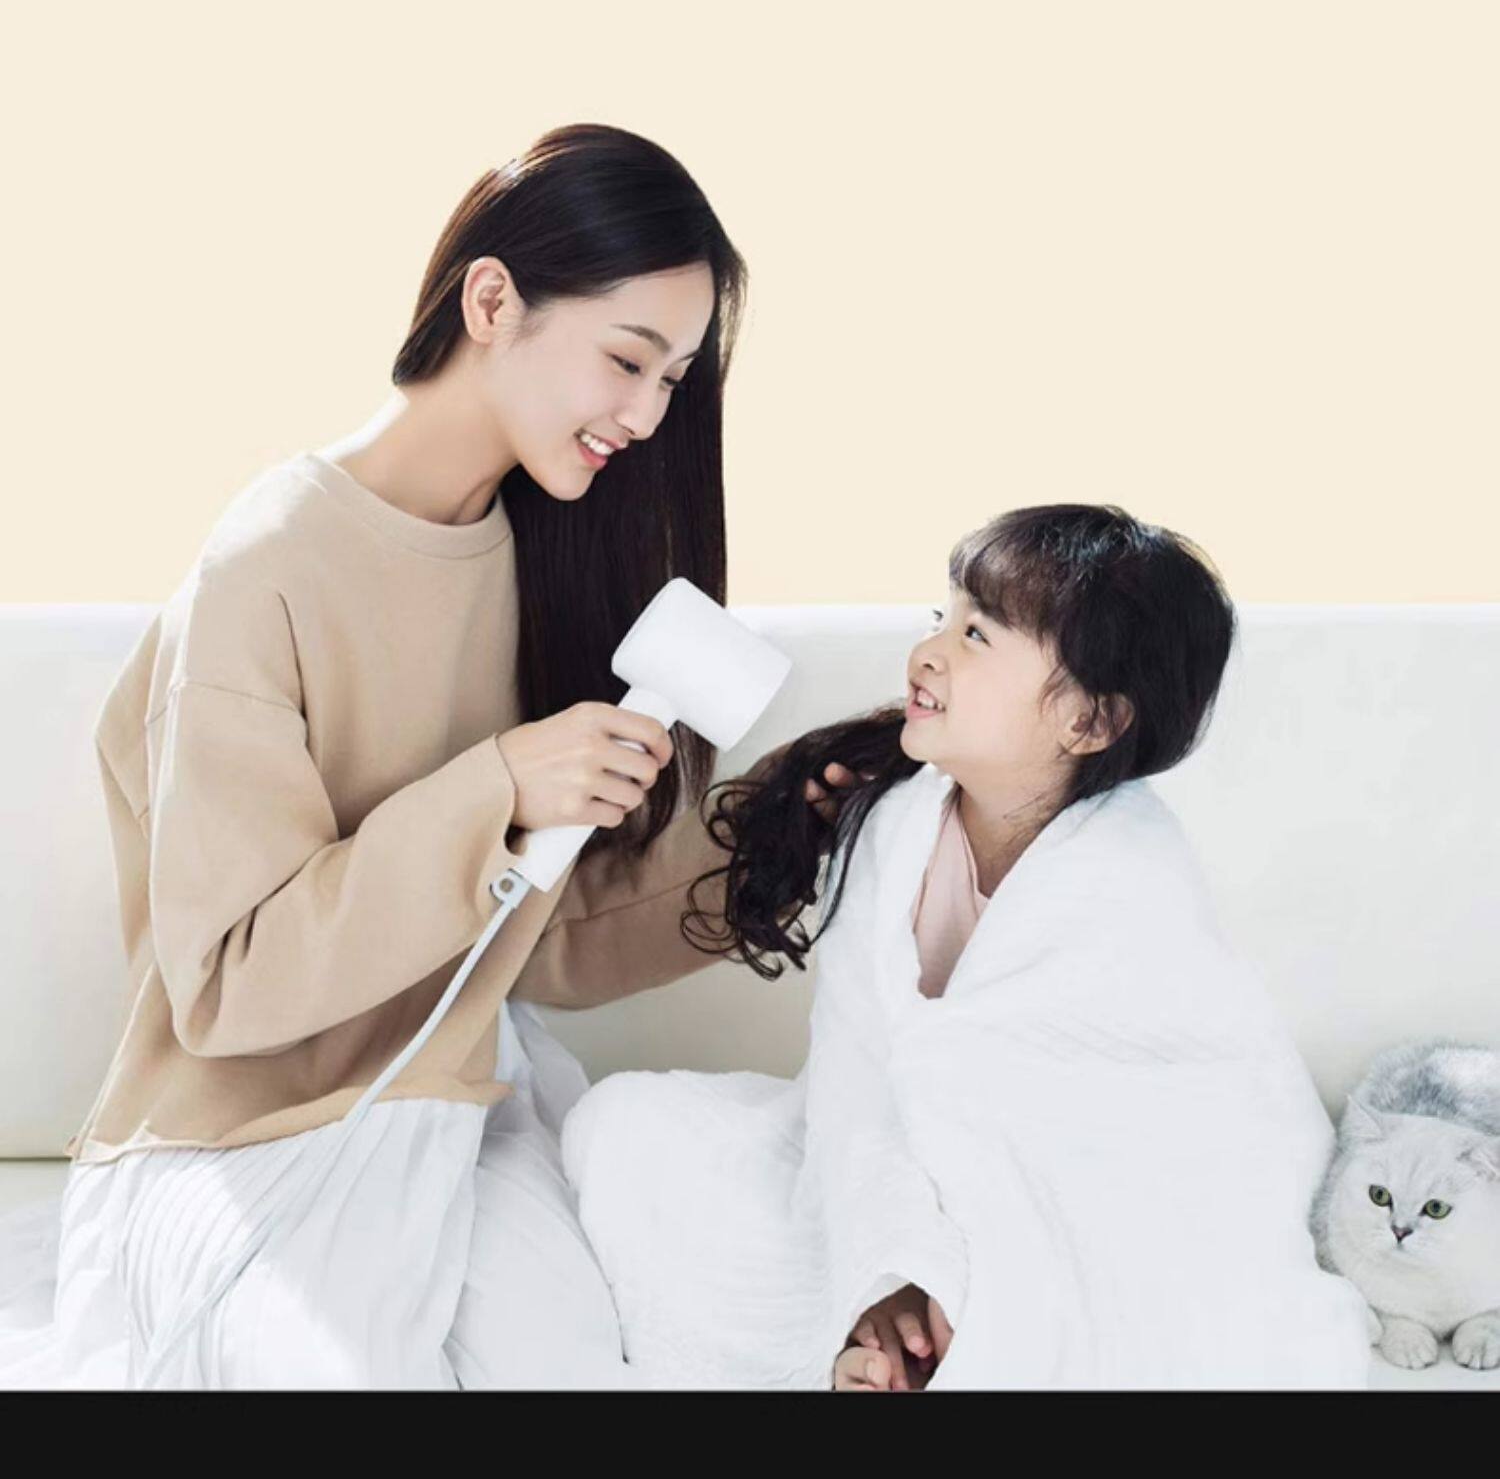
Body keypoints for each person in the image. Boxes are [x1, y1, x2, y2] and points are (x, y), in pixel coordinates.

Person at [0, 123, 755, 1390]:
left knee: (571, 1369)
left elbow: (534, 943)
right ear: (492, 302)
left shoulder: (552, 559)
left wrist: (783, 842)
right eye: (628, 360)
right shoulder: (267, 567)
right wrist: (496, 789)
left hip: (459, 1101)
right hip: (237, 1130)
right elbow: (228, 987)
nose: (646, 414)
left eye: (673, 378)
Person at [563, 505, 1374, 1390]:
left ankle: (930, 1348)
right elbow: (858, 1075)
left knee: (1092, 1308)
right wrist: (887, 1271)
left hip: (1088, 1196)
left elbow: (1097, 1134)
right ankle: (890, 1334)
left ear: (1089, 721)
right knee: (629, 1125)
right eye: (940, 619)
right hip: (888, 1179)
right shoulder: (892, 821)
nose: (929, 652)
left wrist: (940, 1270)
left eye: (977, 635)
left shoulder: (1129, 872)